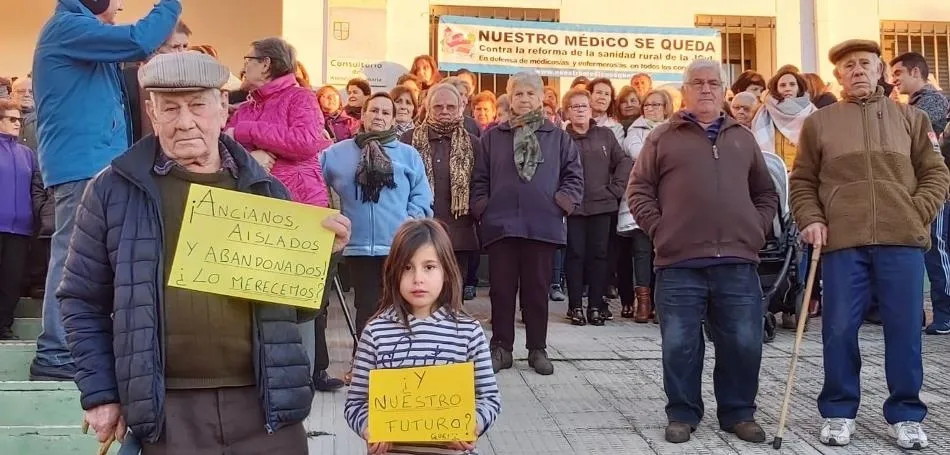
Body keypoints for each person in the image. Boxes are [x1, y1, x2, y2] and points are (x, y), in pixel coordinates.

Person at [59, 51, 353, 454]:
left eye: (197, 105)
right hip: (169, 413)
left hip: (264, 406)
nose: (184, 121)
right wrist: (100, 394)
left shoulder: (265, 189)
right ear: (151, 111)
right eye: (169, 107)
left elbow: (297, 309)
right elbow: (80, 300)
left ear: (222, 108)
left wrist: (326, 256)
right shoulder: (112, 191)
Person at [790, 39, 950, 450]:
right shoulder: (819, 123)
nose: (857, 70)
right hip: (843, 243)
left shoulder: (912, 118)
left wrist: (916, 212)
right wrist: (811, 219)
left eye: (865, 63)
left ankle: (907, 414)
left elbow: (936, 174)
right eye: (848, 66)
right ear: (838, 76)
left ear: (880, 71)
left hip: (902, 241)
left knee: (905, 331)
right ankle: (839, 412)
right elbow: (803, 181)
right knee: (839, 330)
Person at [628, 59, 778, 444]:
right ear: (685, 90)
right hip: (679, 262)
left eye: (714, 83)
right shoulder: (662, 136)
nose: (706, 89)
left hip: (738, 260)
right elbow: (639, 190)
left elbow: (765, 193)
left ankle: (738, 413)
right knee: (679, 343)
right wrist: (661, 231)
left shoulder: (743, 137)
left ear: (724, 90)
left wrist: (756, 229)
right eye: (698, 83)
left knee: (743, 341)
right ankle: (682, 412)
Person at [30, 0, 182, 382]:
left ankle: (69, 347)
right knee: (73, 257)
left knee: (94, 257)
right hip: (82, 163)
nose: (121, 5)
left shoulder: (78, 33)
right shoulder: (68, 28)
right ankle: (56, 350)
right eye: (116, 0)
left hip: (92, 161)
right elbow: (140, 39)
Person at [344, 219, 500, 454]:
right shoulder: (376, 333)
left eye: (429, 267)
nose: (418, 278)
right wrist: (369, 428)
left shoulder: (469, 332)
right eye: (407, 268)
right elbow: (355, 403)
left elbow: (489, 397)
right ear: (393, 273)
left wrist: (473, 424)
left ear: (446, 271)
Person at [472, 71, 584, 376]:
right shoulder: (492, 138)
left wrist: (560, 204)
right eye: (518, 94)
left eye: (530, 94)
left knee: (537, 291)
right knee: (501, 291)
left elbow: (574, 177)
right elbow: (479, 179)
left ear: (541, 98)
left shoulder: (558, 138)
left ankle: (537, 349)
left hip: (542, 226)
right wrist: (484, 208)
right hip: (501, 227)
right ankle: (501, 348)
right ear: (510, 98)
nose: (524, 99)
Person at [321, 92, 434, 338]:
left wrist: (410, 222)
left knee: (399, 306)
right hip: (357, 246)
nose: (378, 116)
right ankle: (363, 364)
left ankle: (396, 363)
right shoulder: (336, 154)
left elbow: (422, 195)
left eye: (385, 112)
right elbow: (314, 183)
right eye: (373, 111)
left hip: (398, 245)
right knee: (367, 307)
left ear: (394, 120)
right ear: (362, 115)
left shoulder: (408, 154)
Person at [227, 37, 331, 207]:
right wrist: (250, 160)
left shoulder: (301, 97)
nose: (244, 67)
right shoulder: (246, 108)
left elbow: (306, 141)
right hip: (254, 205)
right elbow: (225, 151)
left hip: (298, 205)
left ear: (266, 64)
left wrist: (247, 130)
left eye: (248, 60)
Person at [890, 52, 950, 335]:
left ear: (916, 72)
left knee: (936, 249)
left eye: (899, 73)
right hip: (917, 188)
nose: (895, 79)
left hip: (933, 190)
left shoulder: (932, 100)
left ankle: (946, 313)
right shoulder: (911, 104)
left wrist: (890, 109)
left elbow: (911, 130)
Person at [561, 88, 631, 327]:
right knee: (575, 255)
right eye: (575, 106)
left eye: (584, 106)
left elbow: (623, 162)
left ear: (591, 110)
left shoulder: (606, 135)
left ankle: (595, 306)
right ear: (566, 112)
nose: (580, 110)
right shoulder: (561, 139)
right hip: (574, 208)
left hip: (603, 206)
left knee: (600, 256)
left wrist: (616, 189)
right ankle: (575, 307)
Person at [403, 83, 480, 281]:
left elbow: (481, 183)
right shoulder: (409, 139)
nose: (444, 111)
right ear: (428, 108)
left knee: (453, 297)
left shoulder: (474, 143)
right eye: (438, 106)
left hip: (459, 234)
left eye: (450, 107)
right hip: (418, 231)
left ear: (460, 108)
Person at [617, 89, 674, 322]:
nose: (650, 109)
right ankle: (643, 302)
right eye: (647, 105)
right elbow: (637, 153)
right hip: (643, 198)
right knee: (641, 252)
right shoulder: (635, 130)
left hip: (670, 199)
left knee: (664, 252)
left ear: (666, 107)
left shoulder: (676, 128)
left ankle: (662, 303)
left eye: (656, 105)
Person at [0, 99, 41, 340]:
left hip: (21, 229)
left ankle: (3, 327)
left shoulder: (27, 153)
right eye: (12, 119)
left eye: (20, 119)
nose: (18, 123)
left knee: (11, 281)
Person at [123, 20, 193, 144]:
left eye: (185, 46)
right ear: (155, 49)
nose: (183, 53)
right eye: (176, 47)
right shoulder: (127, 78)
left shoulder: (191, 79)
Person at [750, 67, 817, 171]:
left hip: (804, 173)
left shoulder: (812, 112)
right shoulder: (764, 113)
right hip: (774, 173)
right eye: (782, 85)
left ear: (799, 87)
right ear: (776, 89)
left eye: (792, 84)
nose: (787, 88)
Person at [585, 78, 625, 143]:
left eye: (607, 94)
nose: (603, 97)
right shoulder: (575, 123)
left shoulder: (617, 129)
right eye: (599, 92)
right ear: (589, 95)